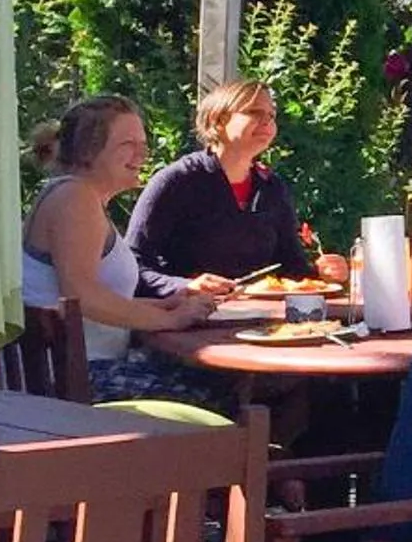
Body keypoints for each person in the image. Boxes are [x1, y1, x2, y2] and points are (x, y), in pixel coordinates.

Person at [22, 94, 219, 404]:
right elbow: (79, 296)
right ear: (89, 151)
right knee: (222, 392)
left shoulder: (77, 195)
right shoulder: (75, 198)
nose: (142, 153)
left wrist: (164, 305)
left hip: (80, 369)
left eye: (143, 143)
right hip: (69, 382)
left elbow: (94, 300)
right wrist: (171, 320)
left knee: (224, 380)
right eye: (128, 144)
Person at [126, 78, 344, 292]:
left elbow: (290, 268)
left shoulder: (272, 188)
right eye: (255, 112)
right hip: (185, 319)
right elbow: (133, 264)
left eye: (271, 115)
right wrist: (186, 287)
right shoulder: (177, 181)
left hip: (260, 320)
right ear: (218, 120)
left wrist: (320, 271)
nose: (267, 122)